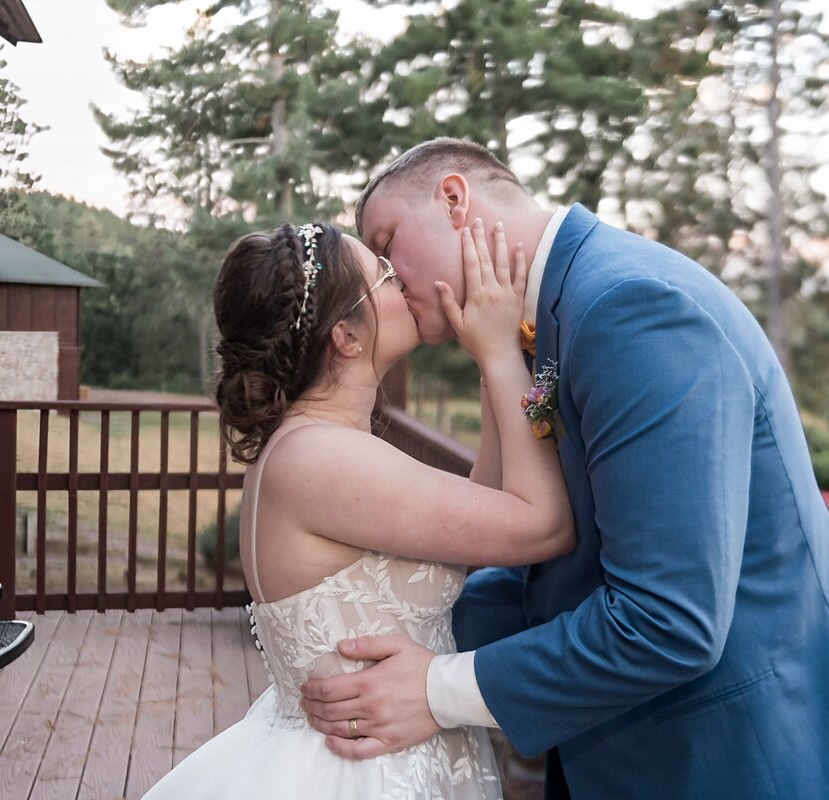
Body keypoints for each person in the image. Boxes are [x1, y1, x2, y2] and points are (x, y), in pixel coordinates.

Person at [300, 138, 829, 800]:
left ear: (454, 198)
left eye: (387, 246)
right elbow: (570, 563)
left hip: (725, 760)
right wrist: (401, 629)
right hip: (632, 748)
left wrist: (437, 689)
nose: (387, 277)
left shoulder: (629, 307)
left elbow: (666, 618)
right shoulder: (555, 318)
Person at [141, 219, 574, 800]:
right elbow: (541, 525)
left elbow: (485, 513)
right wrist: (501, 353)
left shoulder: (321, 447)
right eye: (388, 278)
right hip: (358, 773)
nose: (405, 282)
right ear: (345, 335)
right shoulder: (321, 458)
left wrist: (491, 363)